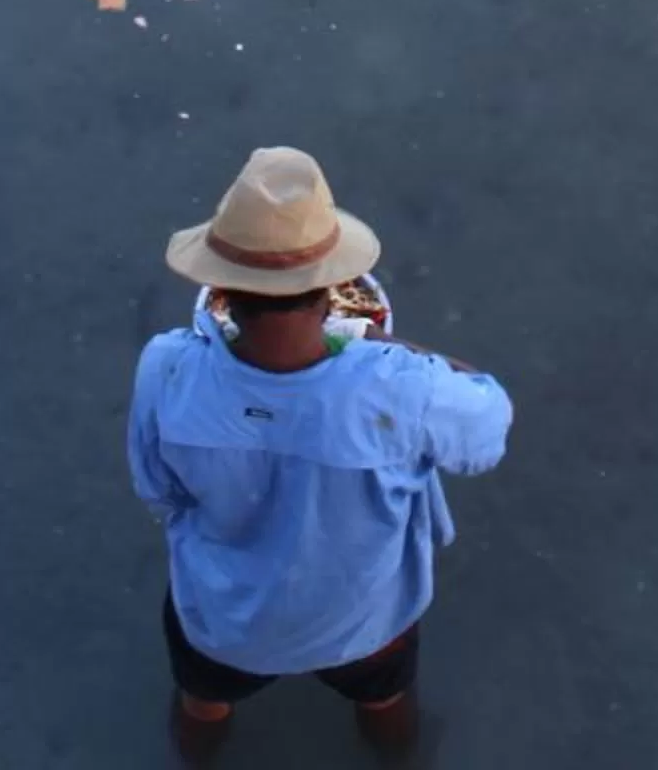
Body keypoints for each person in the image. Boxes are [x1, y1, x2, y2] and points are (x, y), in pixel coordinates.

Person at [129, 147, 513, 758]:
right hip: (364, 624)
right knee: (385, 701)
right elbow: (487, 429)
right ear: (333, 288)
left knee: (201, 703)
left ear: (222, 290)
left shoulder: (166, 369)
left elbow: (158, 489)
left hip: (223, 622)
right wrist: (394, 346)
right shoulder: (405, 389)